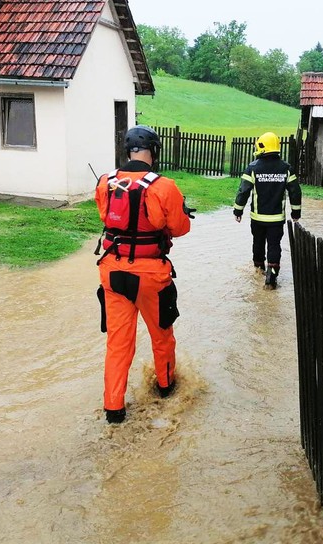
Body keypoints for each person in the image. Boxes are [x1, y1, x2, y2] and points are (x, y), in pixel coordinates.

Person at [94, 125, 195, 424]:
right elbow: (180, 228)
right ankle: (165, 389)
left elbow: (106, 216)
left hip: (112, 272)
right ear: (154, 149)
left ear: (128, 150)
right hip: (151, 274)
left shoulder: (105, 182)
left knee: (118, 342)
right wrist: (181, 211)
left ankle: (113, 408)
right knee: (162, 336)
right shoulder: (165, 187)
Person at [233, 132, 302, 289]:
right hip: (277, 219)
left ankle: (258, 270)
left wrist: (238, 211)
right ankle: (271, 278)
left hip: (257, 218)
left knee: (258, 243)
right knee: (274, 245)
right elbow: (295, 192)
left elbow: (243, 191)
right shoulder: (286, 168)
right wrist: (296, 213)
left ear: (261, 146)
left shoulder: (252, 168)